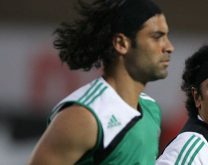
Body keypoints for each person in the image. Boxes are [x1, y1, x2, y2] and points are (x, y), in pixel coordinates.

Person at [28, 0, 174, 164]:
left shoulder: (151, 109)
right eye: (157, 37)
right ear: (121, 44)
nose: (169, 47)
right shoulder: (85, 116)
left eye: (167, 36)